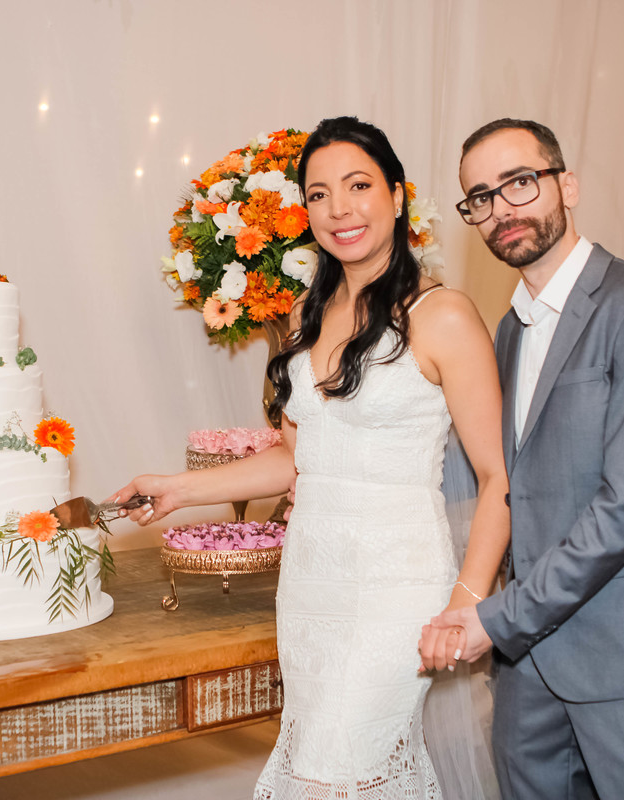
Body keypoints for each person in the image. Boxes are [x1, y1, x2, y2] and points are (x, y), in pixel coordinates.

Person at [113, 116, 506, 799]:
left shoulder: (444, 316)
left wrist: (467, 605)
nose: (339, 209)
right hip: (312, 585)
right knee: (314, 762)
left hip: (397, 586)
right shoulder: (304, 316)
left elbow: (501, 478)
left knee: (341, 772)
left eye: (358, 185)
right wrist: (177, 489)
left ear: (397, 195)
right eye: (319, 194)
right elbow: (301, 463)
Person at [420, 118, 624, 799]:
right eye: (481, 198)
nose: (502, 209)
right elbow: (501, 476)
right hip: (530, 667)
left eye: (519, 183)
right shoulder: (506, 330)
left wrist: (497, 619)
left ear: (567, 184)